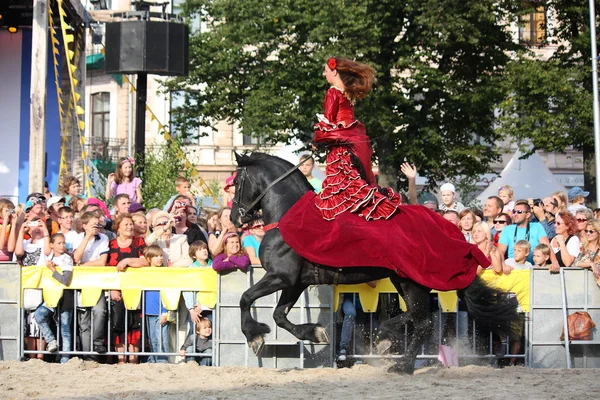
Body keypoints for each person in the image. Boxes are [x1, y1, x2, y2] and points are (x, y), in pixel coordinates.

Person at [312, 56, 401, 221]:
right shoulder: (348, 94)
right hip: (354, 141)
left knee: (340, 185)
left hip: (341, 146)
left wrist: (317, 140)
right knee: (354, 181)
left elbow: (329, 122)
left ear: (334, 71)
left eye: (325, 71)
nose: (324, 75)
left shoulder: (333, 92)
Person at [107, 213, 148, 363]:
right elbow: (107, 268)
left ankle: (133, 358)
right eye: (126, 224)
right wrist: (112, 288)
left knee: (134, 323)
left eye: (131, 224)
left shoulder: (139, 242)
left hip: (135, 289)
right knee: (118, 322)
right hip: (116, 289)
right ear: (118, 228)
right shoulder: (110, 244)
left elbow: (145, 261)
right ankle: (120, 359)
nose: (130, 227)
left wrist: (128, 260)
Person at [72, 211, 110, 358]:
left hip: (96, 281)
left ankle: (97, 342)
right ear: (84, 225)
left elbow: (102, 262)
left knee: (100, 311)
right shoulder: (77, 238)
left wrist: (83, 265)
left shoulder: (103, 238)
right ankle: (87, 354)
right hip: (80, 282)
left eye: (98, 224)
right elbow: (76, 258)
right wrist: (87, 238)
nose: (96, 227)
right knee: (84, 320)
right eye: (93, 225)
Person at [34, 233, 74, 363]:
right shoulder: (48, 257)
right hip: (51, 295)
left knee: (65, 328)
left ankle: (65, 358)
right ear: (51, 245)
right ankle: (51, 340)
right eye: (59, 243)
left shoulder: (67, 259)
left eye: (63, 243)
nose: (62, 245)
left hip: (64, 296)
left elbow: (65, 280)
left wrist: (52, 270)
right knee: (39, 314)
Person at [497, 200, 555, 266]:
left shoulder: (537, 226)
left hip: (532, 267)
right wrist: (503, 265)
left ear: (527, 215)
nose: (515, 214)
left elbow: (547, 247)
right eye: (514, 211)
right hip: (513, 268)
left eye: (519, 212)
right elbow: (500, 252)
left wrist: (555, 262)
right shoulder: (507, 229)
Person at [143, 245, 170, 363]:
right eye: (155, 256)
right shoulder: (145, 272)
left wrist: (165, 312)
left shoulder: (165, 272)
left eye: (160, 256)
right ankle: (153, 360)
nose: (159, 258)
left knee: (162, 340)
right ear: (149, 259)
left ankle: (162, 360)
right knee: (153, 339)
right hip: (149, 311)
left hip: (161, 311)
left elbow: (168, 294)